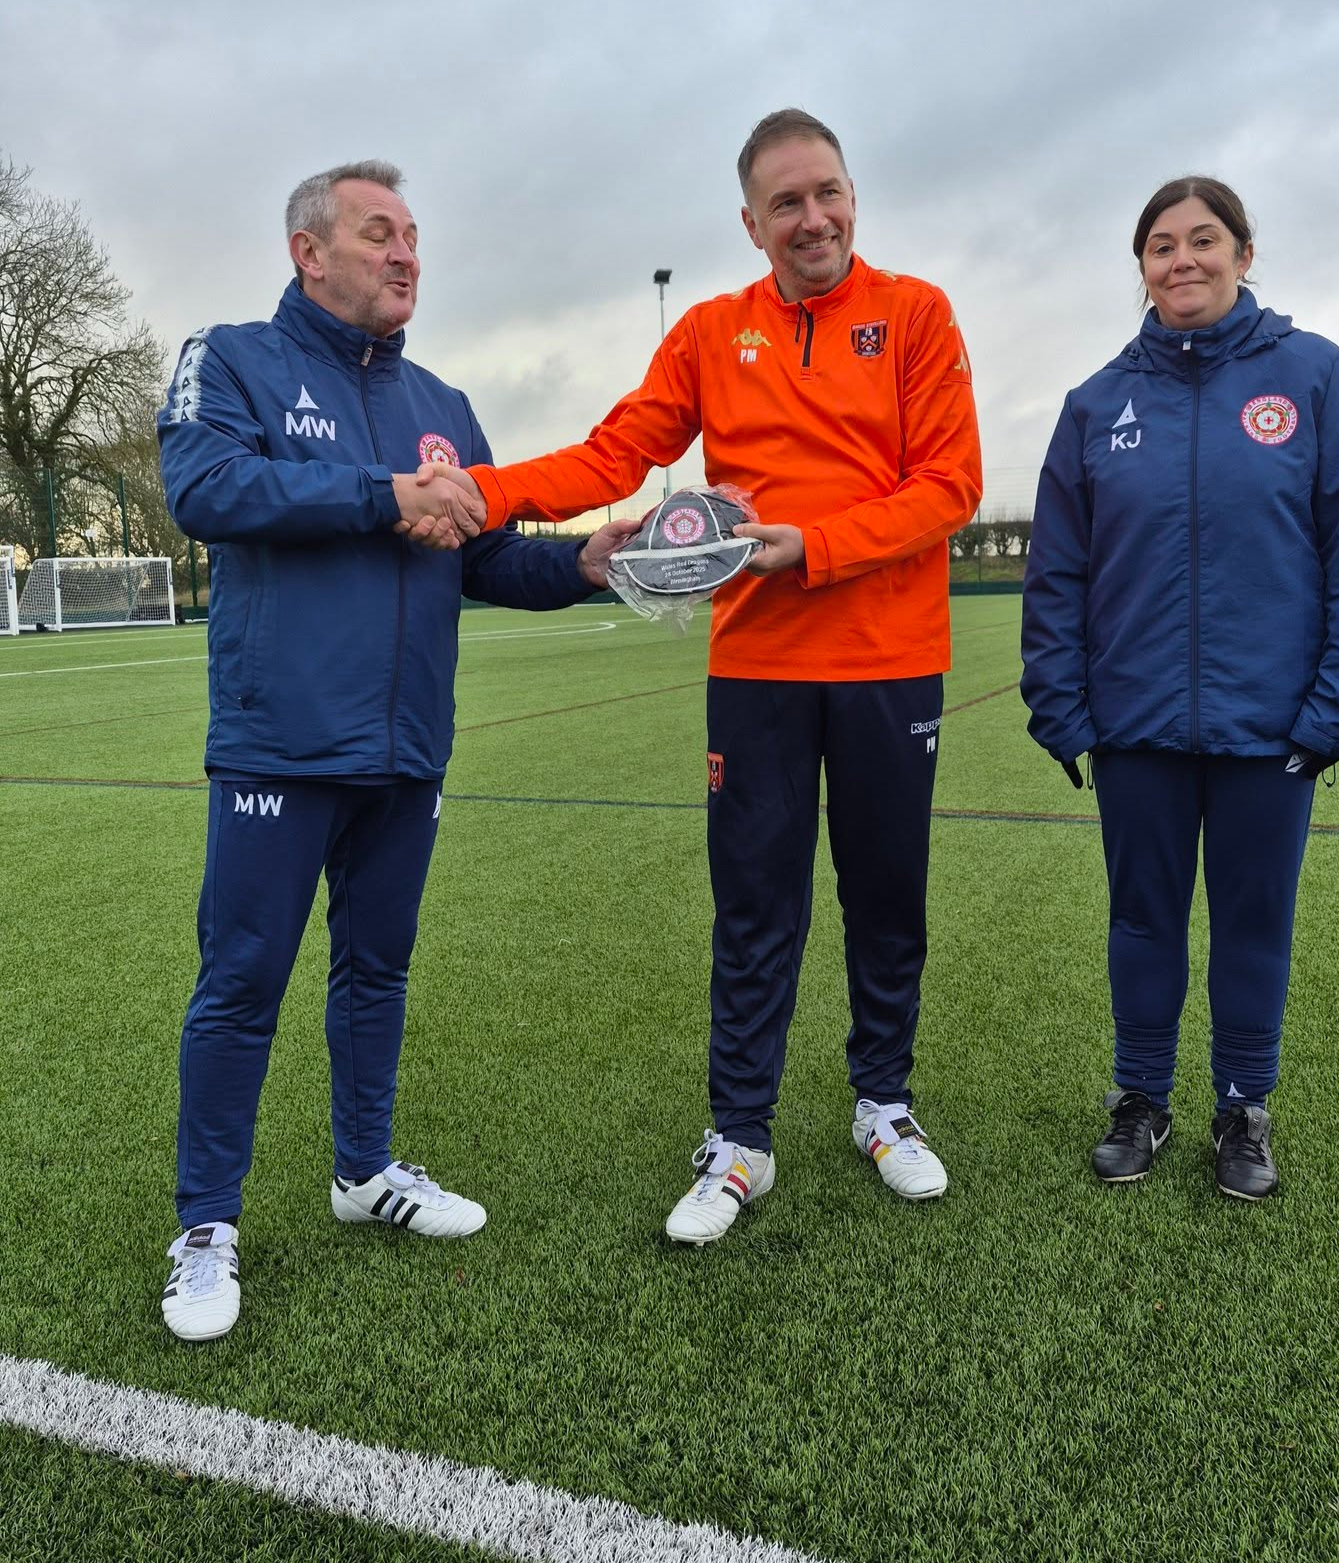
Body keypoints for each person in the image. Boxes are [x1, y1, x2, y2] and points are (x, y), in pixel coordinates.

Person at [430, 109, 983, 1244]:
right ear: (751, 222)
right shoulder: (709, 333)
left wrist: (809, 546)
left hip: (889, 661)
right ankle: (739, 1138)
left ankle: (883, 1105)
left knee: (886, 894)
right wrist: (488, 493)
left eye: (827, 193)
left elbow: (950, 485)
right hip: (759, 665)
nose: (812, 218)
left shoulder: (916, 313)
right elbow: (612, 452)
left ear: (853, 197)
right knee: (754, 903)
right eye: (787, 203)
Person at [155, 160, 636, 1340]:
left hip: (408, 750)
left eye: (414, 235)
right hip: (279, 747)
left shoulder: (443, 402)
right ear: (309, 252)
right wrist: (386, 494)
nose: (406, 252)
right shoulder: (231, 357)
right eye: (379, 233)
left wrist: (580, 564)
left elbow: (483, 557)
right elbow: (208, 486)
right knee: (243, 982)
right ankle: (205, 1227)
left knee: (377, 970)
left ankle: (364, 1172)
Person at [1020, 175, 1339, 1201]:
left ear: (1244, 252)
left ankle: (1243, 1108)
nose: (1181, 259)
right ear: (1141, 266)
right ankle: (1140, 1099)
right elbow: (1058, 572)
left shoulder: (1315, 376)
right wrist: (1062, 705)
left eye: (1203, 239)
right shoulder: (1097, 403)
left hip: (1271, 729)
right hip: (1135, 725)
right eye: (1160, 245)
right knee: (1141, 921)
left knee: (1253, 924)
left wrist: (1337, 709)